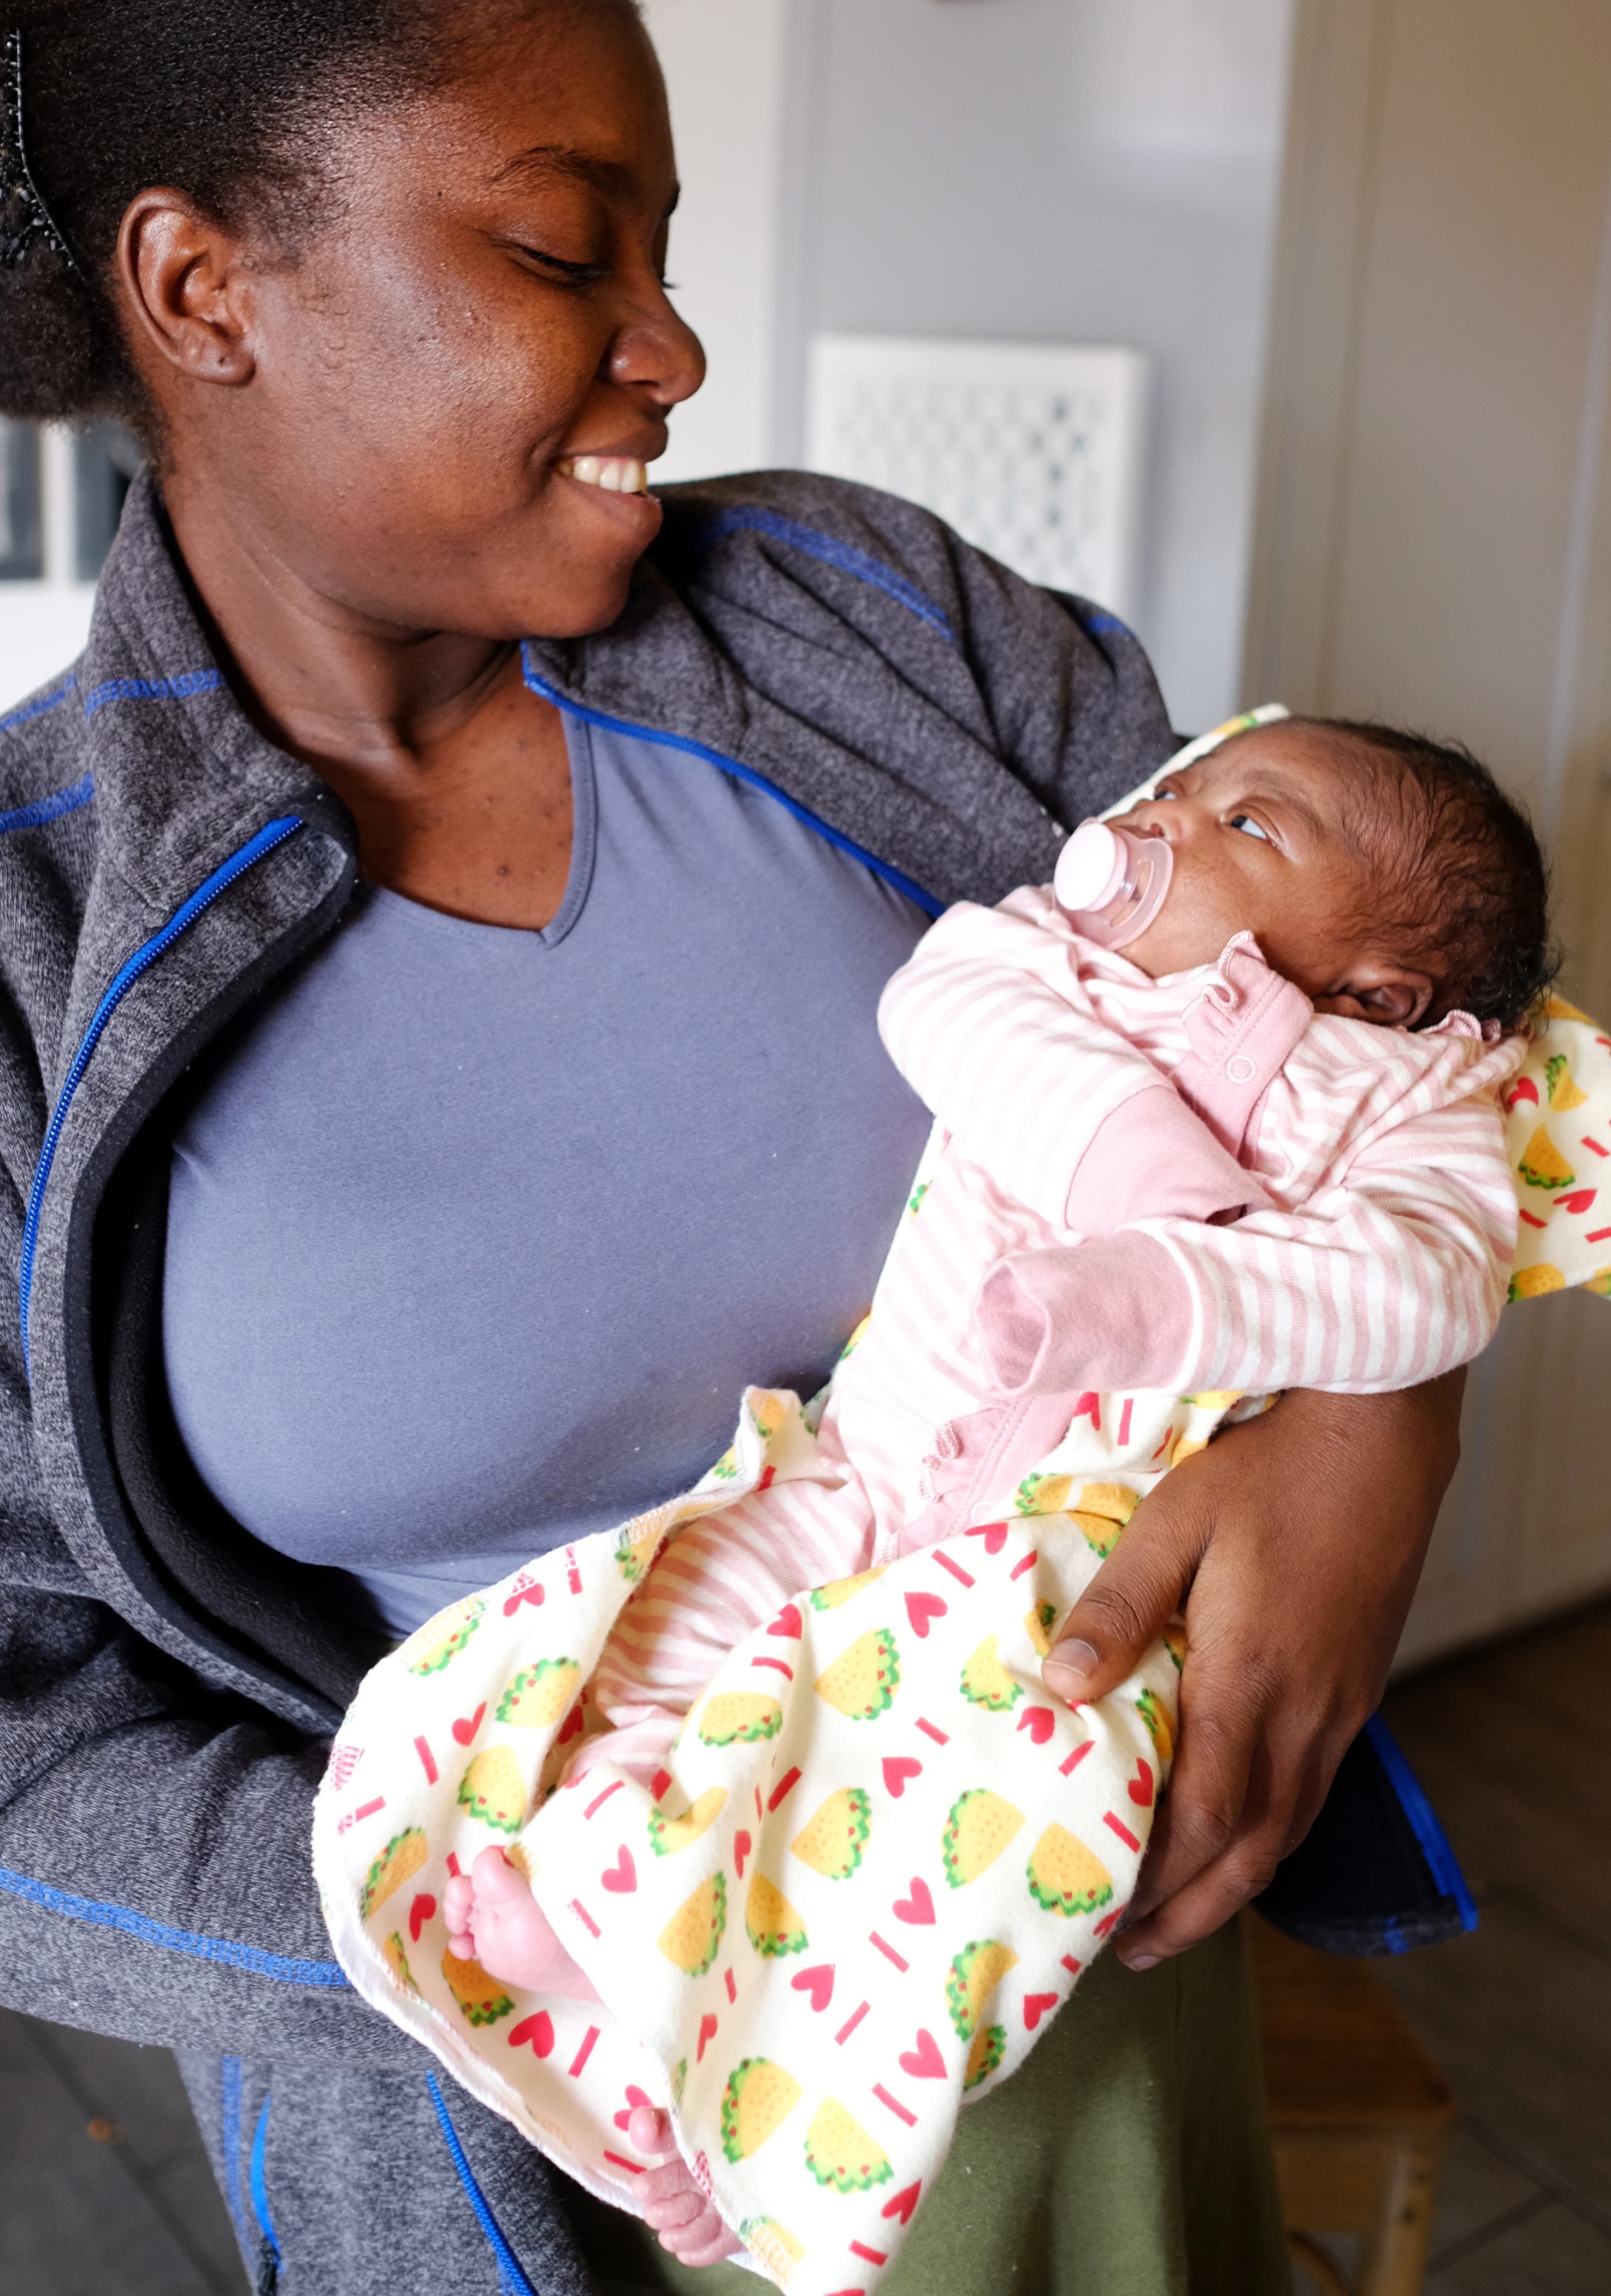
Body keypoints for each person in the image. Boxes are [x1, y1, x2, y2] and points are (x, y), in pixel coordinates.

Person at [0, 0, 1468, 2296]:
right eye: (562, 251)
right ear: (202, 289)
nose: (671, 345)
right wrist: (593, 1945)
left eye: (662, 245)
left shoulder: (869, 621)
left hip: (1094, 2057)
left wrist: (1383, 1410)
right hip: (521, 2142)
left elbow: (1400, 985)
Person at [417, 719, 1537, 2279]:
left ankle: (734, 2114)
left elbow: (1426, 1292)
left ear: (1381, 989)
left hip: (1056, 1570)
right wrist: (1129, 1164)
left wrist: (1161, 1288)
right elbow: (935, 1003)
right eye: (1181, 791)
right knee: (663, 1647)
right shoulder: (1051, 963)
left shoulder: (1403, 1107)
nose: (1166, 819)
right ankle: (607, 1961)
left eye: (1249, 824)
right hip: (868, 1467)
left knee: (916, 1833)